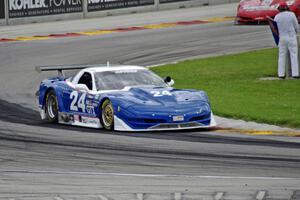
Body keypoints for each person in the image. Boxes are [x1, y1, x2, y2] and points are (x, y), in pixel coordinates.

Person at [274, 1, 299, 79]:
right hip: (291, 36)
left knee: (281, 56)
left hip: (282, 37)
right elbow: (296, 26)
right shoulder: (291, 15)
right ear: (287, 8)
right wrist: (296, 32)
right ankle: (295, 74)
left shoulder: (277, 16)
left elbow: (275, 28)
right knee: (294, 55)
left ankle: (281, 74)